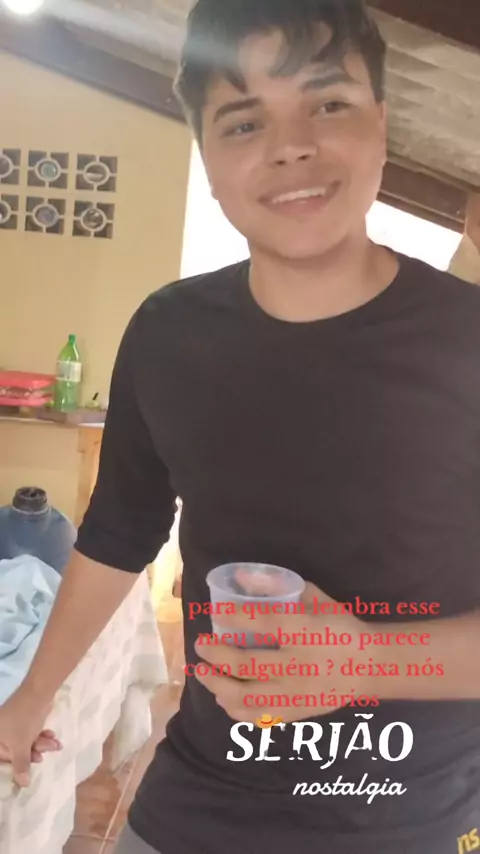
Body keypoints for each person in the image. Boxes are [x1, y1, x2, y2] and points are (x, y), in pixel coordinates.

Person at [2, 1, 480, 852]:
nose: (291, 146)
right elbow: (119, 533)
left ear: (381, 123)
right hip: (197, 799)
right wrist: (28, 700)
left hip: (403, 815)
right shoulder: (170, 333)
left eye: (328, 102)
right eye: (244, 121)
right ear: (208, 157)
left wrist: (368, 661)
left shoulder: (468, 340)